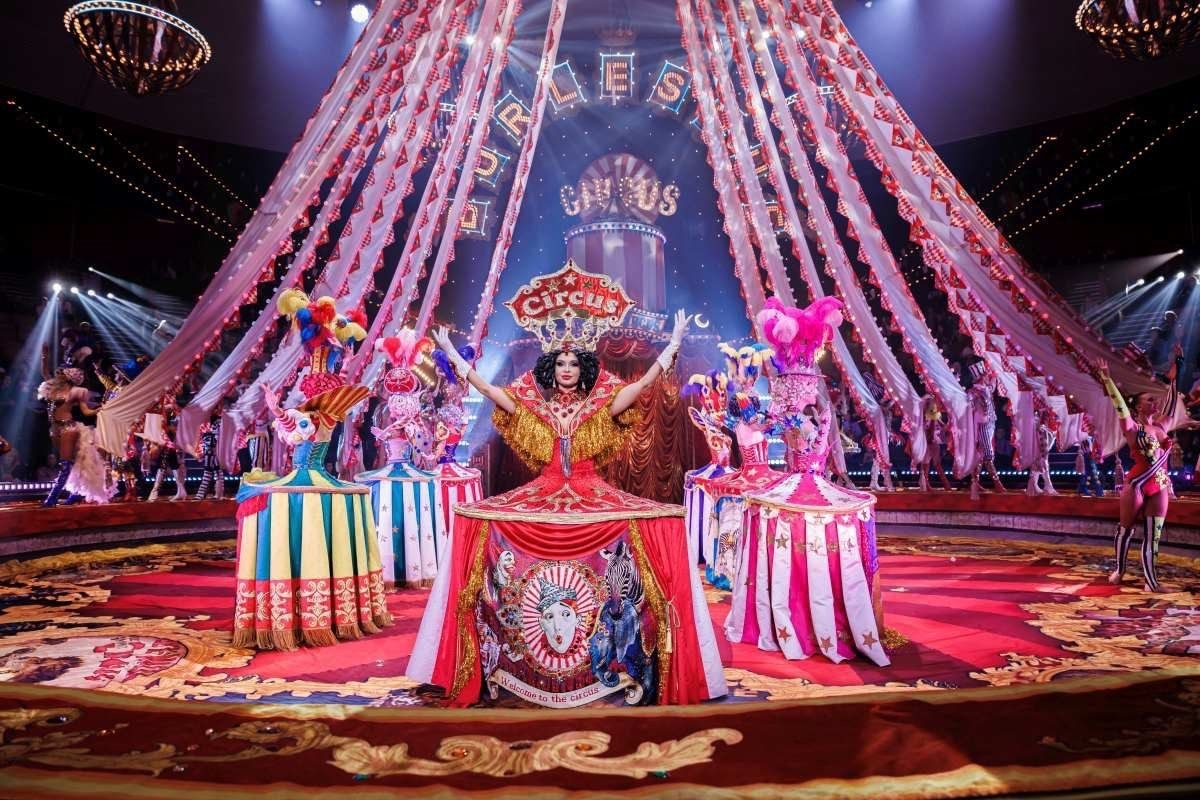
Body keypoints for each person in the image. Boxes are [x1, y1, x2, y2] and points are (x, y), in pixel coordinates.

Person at [410, 263, 725, 708]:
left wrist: (671, 347)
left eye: (574, 363)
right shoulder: (532, 403)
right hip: (543, 490)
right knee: (477, 521)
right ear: (550, 367)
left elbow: (640, 387)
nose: (567, 369)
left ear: (584, 368)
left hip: (591, 489)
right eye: (560, 363)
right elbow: (492, 392)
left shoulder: (600, 402)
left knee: (660, 523)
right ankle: (513, 654)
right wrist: (455, 358)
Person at [1097, 351, 1199, 592]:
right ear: (1138, 406)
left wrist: (1176, 372)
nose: (1155, 402)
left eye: (1155, 400)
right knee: (1126, 529)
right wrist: (1107, 380)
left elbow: (1171, 403)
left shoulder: (1162, 426)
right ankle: (1119, 570)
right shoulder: (1131, 427)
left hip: (1159, 485)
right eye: (1149, 400)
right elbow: (1120, 406)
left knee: (1154, 536)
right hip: (1136, 485)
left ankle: (1151, 582)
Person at [37, 348, 108, 505]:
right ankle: (76, 494)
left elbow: (86, 411)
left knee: (65, 464)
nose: (59, 373)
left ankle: (52, 498)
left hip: (68, 428)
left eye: (63, 372)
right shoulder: (53, 388)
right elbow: (45, 372)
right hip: (54, 429)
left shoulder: (77, 391)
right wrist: (44, 357)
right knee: (75, 462)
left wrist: (100, 409)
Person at [967, 362, 1006, 499]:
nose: (987, 376)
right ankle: (997, 483)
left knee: (982, 454)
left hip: (990, 423)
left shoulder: (987, 387)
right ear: (980, 377)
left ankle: (975, 482)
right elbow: (967, 401)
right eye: (985, 375)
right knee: (988, 454)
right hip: (982, 425)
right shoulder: (974, 391)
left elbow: (993, 383)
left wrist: (994, 367)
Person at [1026, 408, 1059, 497]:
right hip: (1040, 430)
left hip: (1046, 427)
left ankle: (1036, 484)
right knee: (1041, 458)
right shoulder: (1039, 405)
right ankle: (1043, 485)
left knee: (1041, 458)